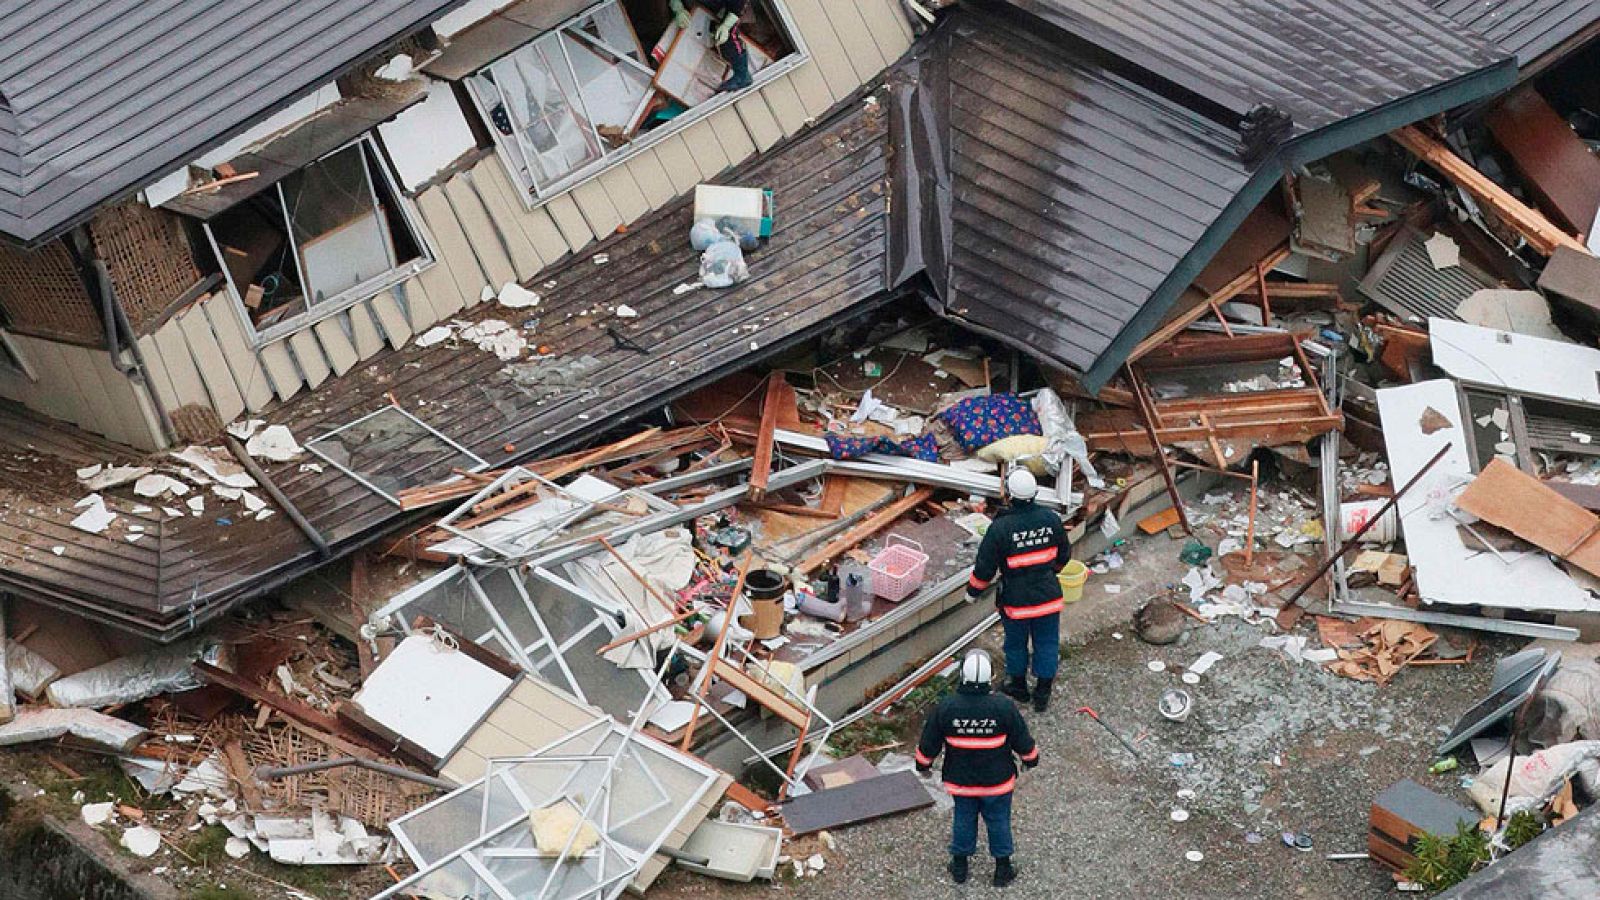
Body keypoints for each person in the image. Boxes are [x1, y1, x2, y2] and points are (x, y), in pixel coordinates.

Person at [916, 648, 1039, 887]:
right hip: (997, 782)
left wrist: (923, 765)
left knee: (963, 819)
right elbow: (1022, 740)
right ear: (990, 677)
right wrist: (1030, 759)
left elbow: (929, 743)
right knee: (999, 820)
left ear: (962, 675)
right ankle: (1002, 869)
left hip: (961, 782)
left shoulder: (947, 707)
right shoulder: (1003, 707)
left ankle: (960, 866)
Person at [967, 468, 1070, 712]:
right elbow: (1063, 556)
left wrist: (972, 592)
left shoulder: (1001, 528)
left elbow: (985, 567)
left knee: (1015, 644)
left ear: (1009, 496)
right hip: (1048, 598)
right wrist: (1046, 573)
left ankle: (1019, 687)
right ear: (1035, 493)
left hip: (1016, 602)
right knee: (1047, 643)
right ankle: (1043, 693)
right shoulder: (1051, 519)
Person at [669, 0, 753, 93]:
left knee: (726, 36)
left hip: (722, 10)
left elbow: (738, 7)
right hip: (688, 11)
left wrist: (726, 25)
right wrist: (678, 8)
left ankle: (742, 75)